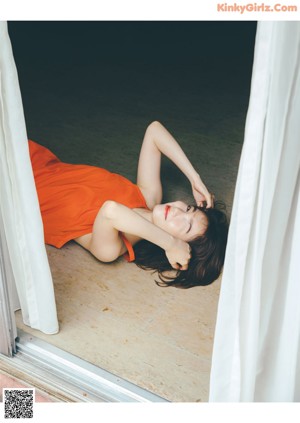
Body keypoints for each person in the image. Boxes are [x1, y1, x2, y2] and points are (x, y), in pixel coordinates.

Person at [29, 121, 228, 289]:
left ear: (179, 250)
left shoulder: (110, 249)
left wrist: (170, 243)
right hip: (33, 159)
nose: (177, 210)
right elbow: (154, 130)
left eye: (186, 225)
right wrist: (194, 178)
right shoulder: (148, 196)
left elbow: (111, 211)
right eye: (188, 208)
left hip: (13, 190)